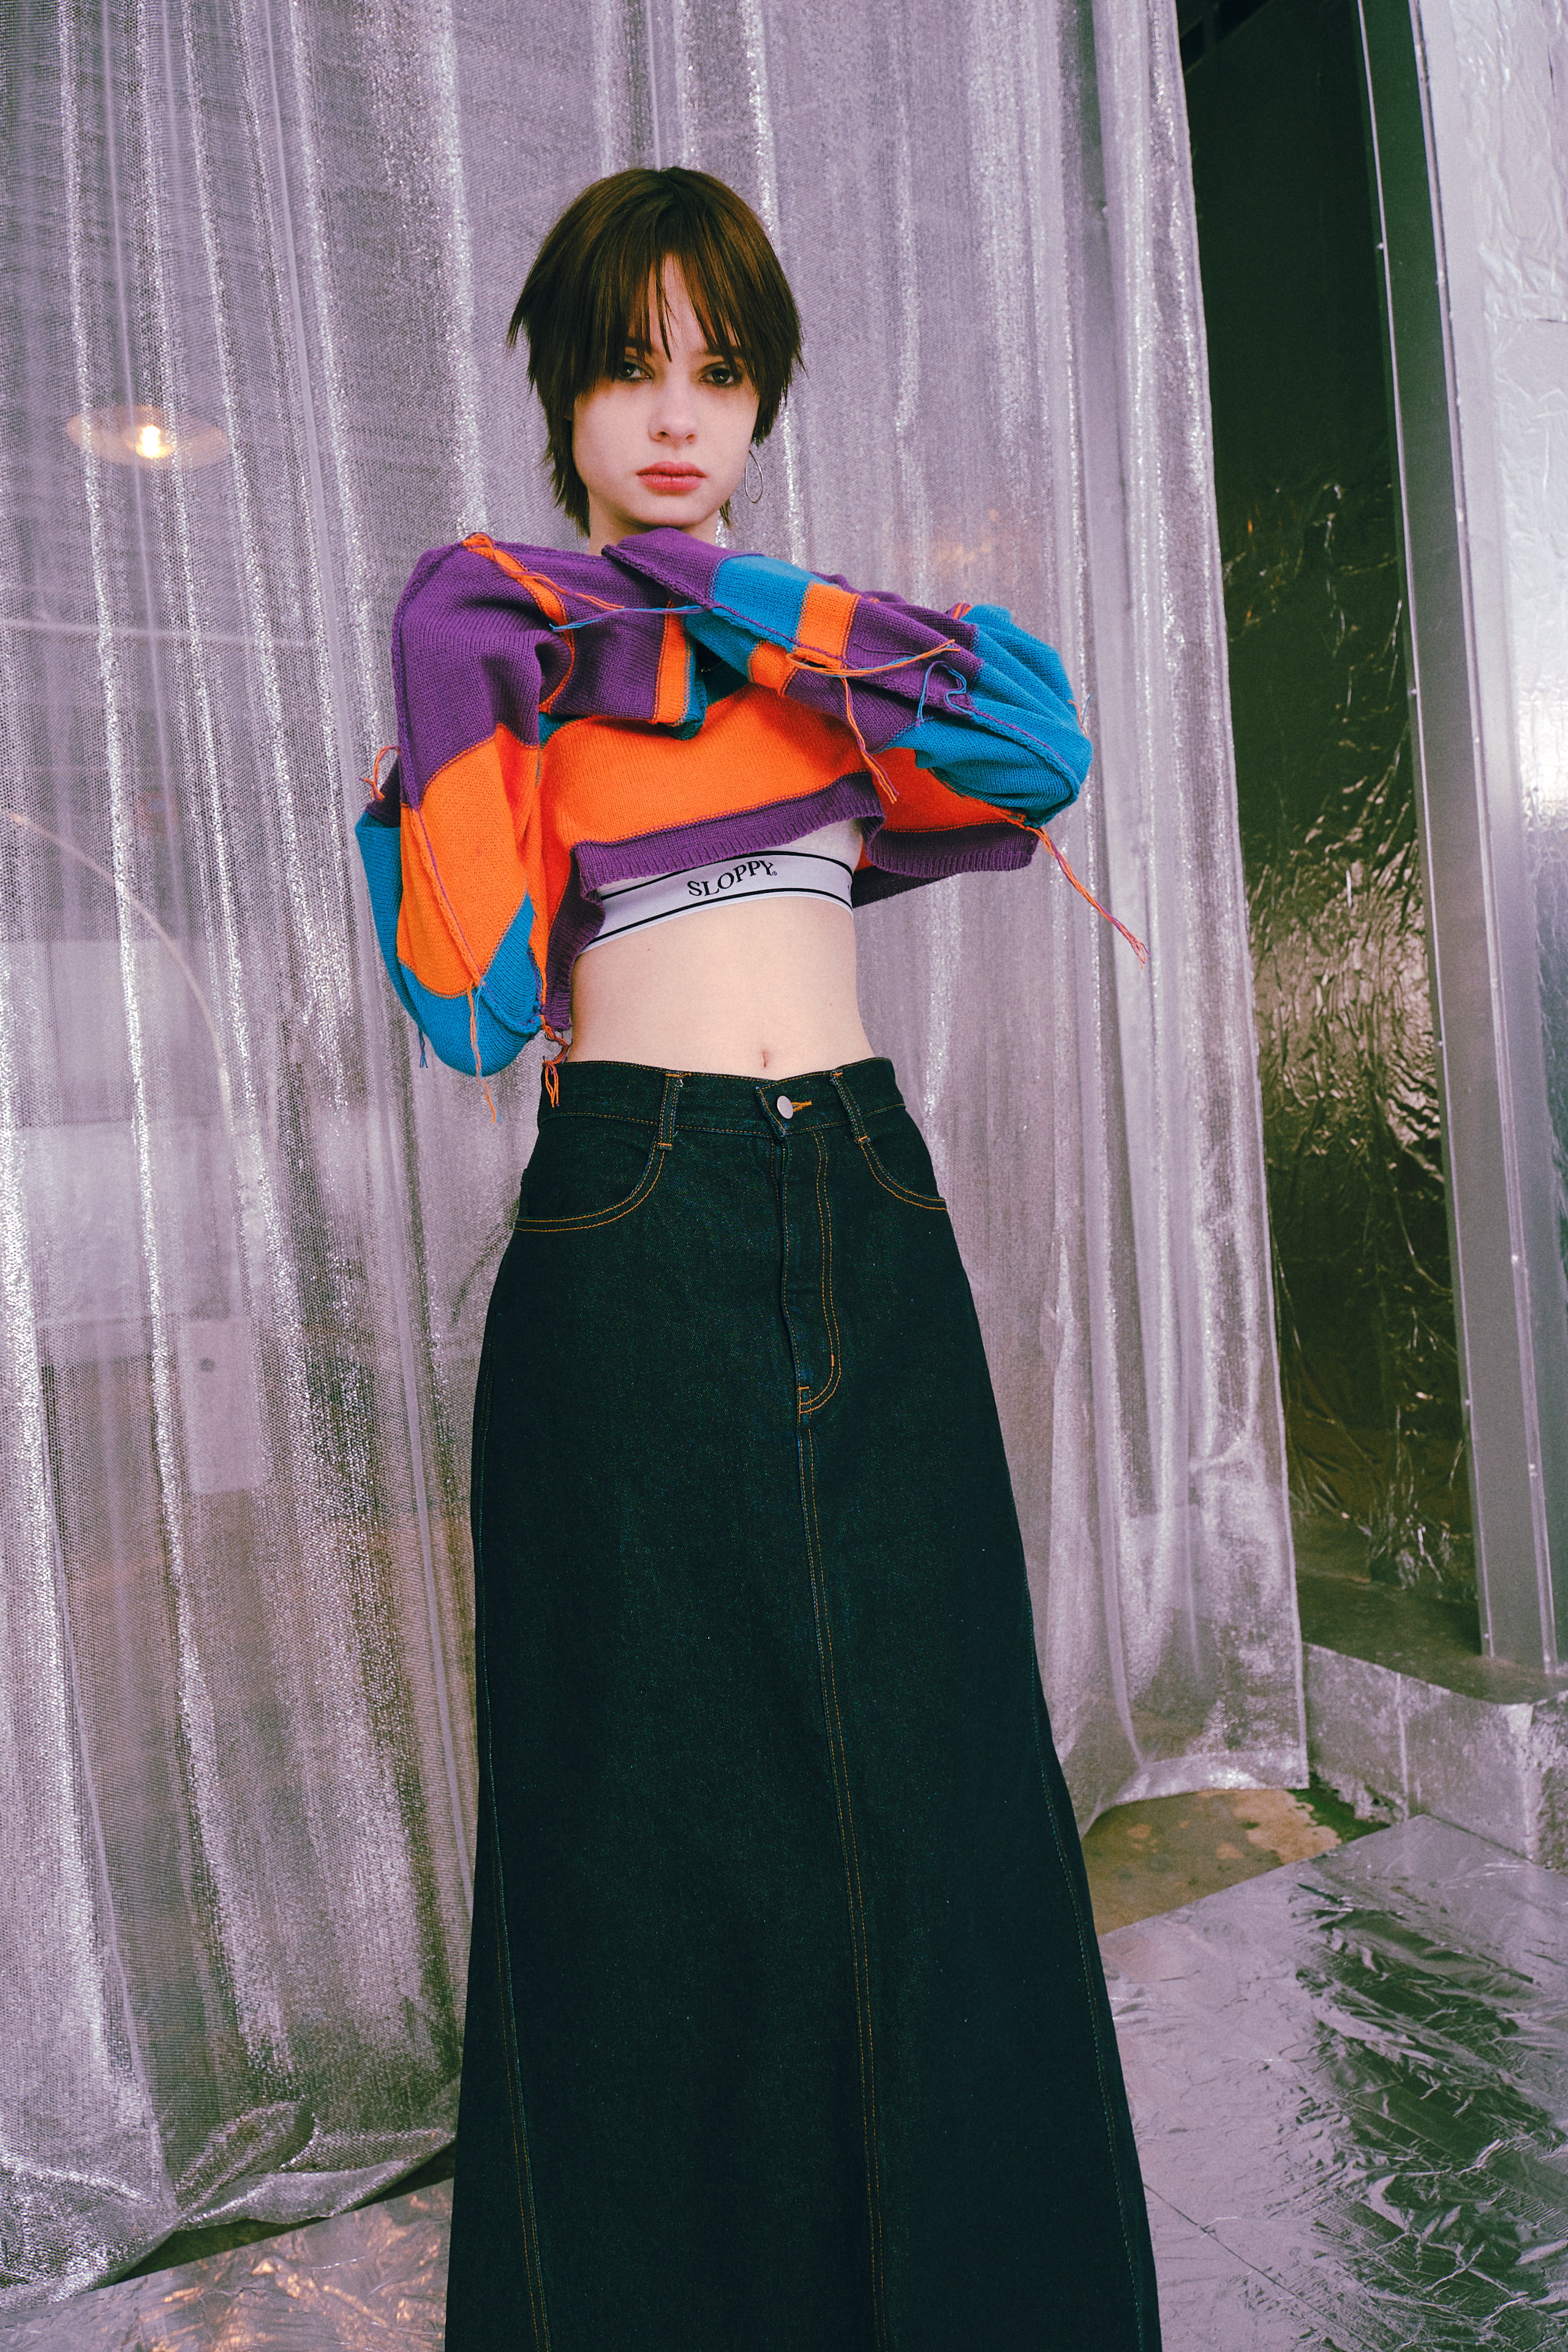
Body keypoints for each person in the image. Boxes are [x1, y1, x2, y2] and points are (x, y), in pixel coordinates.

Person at [358, 167, 1160, 2352]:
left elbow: (1037, 748)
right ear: (562, 391)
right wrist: (502, 678)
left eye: (718, 373)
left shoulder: (812, 660)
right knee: (647, 1807)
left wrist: (735, 599)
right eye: (630, 368)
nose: (674, 416)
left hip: (869, 1198)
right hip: (633, 1206)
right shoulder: (508, 637)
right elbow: (468, 1003)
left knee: (940, 1789)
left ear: (765, 399)